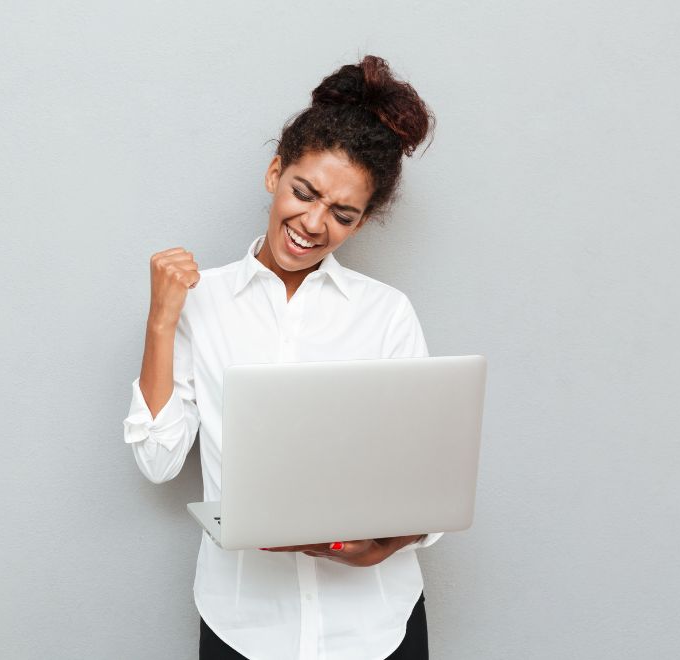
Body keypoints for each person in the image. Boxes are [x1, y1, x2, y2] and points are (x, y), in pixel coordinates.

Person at [122, 55, 444, 660]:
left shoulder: (386, 313)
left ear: (363, 221)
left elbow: (424, 484)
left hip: (374, 627)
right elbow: (158, 460)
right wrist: (162, 319)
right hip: (246, 627)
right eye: (305, 192)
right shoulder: (201, 301)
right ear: (275, 172)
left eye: (343, 214)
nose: (313, 223)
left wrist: (383, 545)